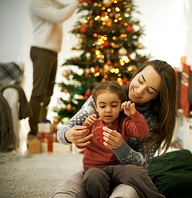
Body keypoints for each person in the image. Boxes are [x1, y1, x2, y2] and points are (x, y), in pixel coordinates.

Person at [54, 60, 177, 197]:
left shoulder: (153, 121)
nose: (139, 90)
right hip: (95, 170)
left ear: (156, 96)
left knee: (125, 193)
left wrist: (120, 147)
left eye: (150, 90)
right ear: (136, 74)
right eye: (140, 80)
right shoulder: (105, 95)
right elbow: (63, 131)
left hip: (127, 175)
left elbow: (142, 163)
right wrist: (67, 135)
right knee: (66, 191)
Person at [79, 81, 162, 197]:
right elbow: (79, 145)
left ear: (120, 106)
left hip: (119, 167)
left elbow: (143, 131)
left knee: (137, 172)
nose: (108, 110)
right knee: (92, 178)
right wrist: (86, 127)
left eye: (113, 105)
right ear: (96, 107)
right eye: (103, 106)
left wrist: (134, 114)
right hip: (94, 168)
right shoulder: (91, 121)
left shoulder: (124, 122)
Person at [28, 0, 83, 138]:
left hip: (52, 51)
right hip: (42, 50)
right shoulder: (37, 3)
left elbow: (63, 6)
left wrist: (78, 3)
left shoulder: (50, 2)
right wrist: (75, 3)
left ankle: (42, 127)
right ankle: (34, 131)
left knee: (47, 93)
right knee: (39, 93)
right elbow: (60, 15)